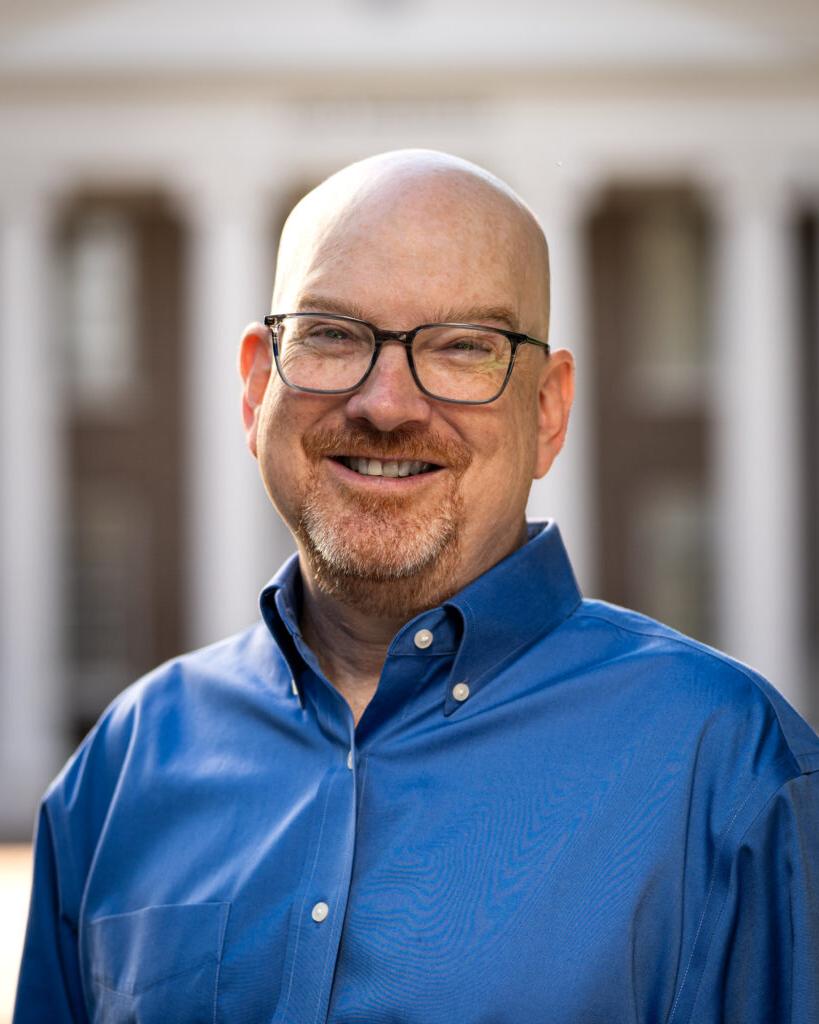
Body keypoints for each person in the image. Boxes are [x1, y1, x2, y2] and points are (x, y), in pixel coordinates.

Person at [14, 149, 819, 1023]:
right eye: (330, 334)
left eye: (464, 347)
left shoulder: (731, 769)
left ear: (546, 411)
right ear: (255, 387)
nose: (386, 404)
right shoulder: (125, 768)